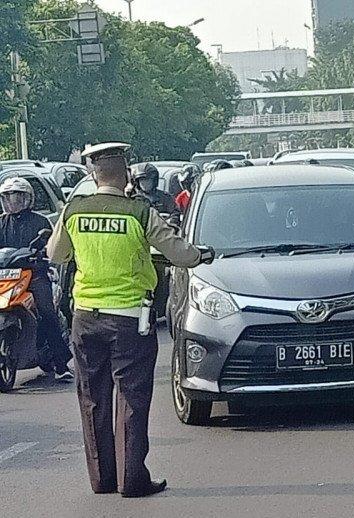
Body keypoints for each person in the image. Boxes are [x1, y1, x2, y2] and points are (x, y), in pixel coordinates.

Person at [47, 142, 214, 498]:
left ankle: (102, 479)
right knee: (132, 400)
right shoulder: (139, 212)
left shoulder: (74, 210)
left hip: (85, 319)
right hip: (129, 320)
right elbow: (179, 254)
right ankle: (132, 480)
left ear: (93, 174)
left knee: (92, 399)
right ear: (125, 174)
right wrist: (202, 255)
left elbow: (56, 253)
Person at [0, 177, 73, 381]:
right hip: (5, 276)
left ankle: (61, 364)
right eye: (7, 197)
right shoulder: (1, 222)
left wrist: (41, 253)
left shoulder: (40, 222)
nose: (12, 201)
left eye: (17, 197)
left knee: (47, 313)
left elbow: (51, 247)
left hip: (34, 274)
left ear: (27, 198)